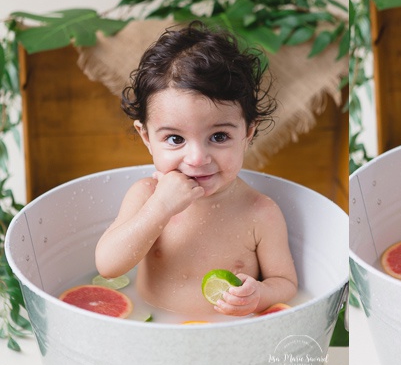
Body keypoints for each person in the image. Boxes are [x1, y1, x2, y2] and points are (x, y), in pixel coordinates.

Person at [95, 22, 297, 317]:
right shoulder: (147, 195)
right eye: (175, 139)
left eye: (218, 137)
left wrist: (261, 293)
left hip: (228, 337)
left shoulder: (260, 212)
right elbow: (108, 265)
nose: (198, 158)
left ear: (248, 134)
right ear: (147, 138)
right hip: (150, 327)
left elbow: (286, 282)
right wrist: (160, 209)